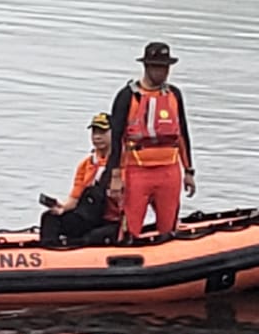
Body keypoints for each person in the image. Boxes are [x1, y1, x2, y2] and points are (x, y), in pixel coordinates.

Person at [100, 41, 196, 241]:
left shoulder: (174, 95)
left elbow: (182, 134)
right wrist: (115, 176)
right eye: (157, 67)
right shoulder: (127, 96)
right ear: (146, 66)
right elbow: (116, 139)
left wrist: (188, 171)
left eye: (165, 67)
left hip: (169, 171)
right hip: (137, 171)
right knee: (131, 228)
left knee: (168, 228)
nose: (162, 72)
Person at [39, 112, 123, 247]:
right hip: (87, 216)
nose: (97, 137)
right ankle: (50, 257)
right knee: (49, 218)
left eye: (102, 132)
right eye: (94, 132)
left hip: (112, 220)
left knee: (93, 237)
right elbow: (75, 198)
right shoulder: (86, 164)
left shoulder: (122, 166)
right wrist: (62, 208)